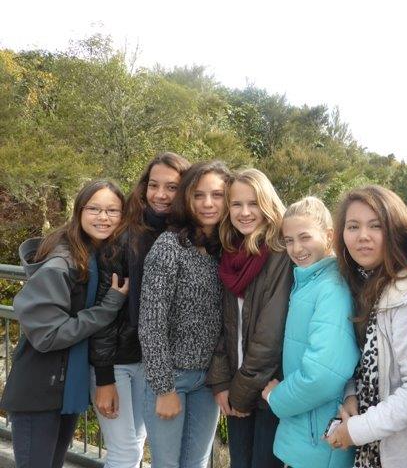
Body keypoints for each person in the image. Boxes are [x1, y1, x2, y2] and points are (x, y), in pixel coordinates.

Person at [0, 180, 129, 468]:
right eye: (94, 209)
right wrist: (108, 307)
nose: (103, 217)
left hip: (63, 387)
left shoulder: (94, 255)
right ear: (79, 211)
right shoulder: (62, 263)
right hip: (39, 391)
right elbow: (48, 335)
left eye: (112, 210)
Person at [89, 152, 190, 467]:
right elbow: (104, 313)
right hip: (117, 361)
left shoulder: (186, 236)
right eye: (153, 185)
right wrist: (104, 378)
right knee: (125, 453)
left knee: (136, 445)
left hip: (152, 362)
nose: (160, 195)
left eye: (171, 187)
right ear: (144, 187)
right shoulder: (124, 236)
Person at [326, 185, 407, 468]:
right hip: (372, 448)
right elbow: (362, 363)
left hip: (402, 453)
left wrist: (354, 430)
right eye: (353, 226)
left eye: (376, 226)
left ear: (395, 232)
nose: (363, 236)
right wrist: (351, 394)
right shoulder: (362, 285)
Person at [138, 161, 229, 467]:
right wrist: (164, 388)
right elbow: (151, 324)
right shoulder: (170, 246)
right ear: (187, 198)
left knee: (197, 463)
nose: (207, 203)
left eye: (217, 195)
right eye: (199, 195)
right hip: (172, 377)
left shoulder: (225, 251)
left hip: (208, 380)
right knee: (167, 464)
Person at [261, 196, 360, 468]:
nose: (296, 248)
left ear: (328, 236)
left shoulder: (331, 288)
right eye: (289, 240)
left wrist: (276, 398)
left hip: (320, 440)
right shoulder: (308, 282)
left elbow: (322, 375)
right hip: (307, 434)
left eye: (305, 237)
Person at [208, 168, 293, 468]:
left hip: (269, 388)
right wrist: (221, 382)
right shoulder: (230, 254)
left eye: (253, 203)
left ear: (267, 204)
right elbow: (223, 325)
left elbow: (271, 335)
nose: (245, 212)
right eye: (236, 204)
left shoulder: (281, 253)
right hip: (236, 384)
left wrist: (240, 393)